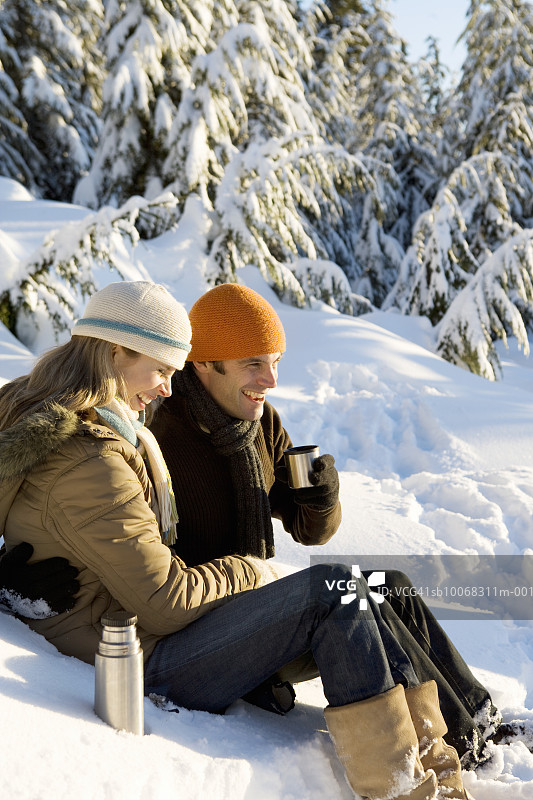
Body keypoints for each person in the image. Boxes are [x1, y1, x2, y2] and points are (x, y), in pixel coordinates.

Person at [0, 280, 472, 800]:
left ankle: (458, 746)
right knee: (336, 594)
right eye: (161, 370)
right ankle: (408, 789)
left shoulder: (125, 428)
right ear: (115, 352)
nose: (166, 389)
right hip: (140, 652)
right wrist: (250, 568)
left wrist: (318, 500)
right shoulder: (101, 453)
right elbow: (165, 602)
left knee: (380, 588)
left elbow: (304, 525)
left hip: (170, 620)